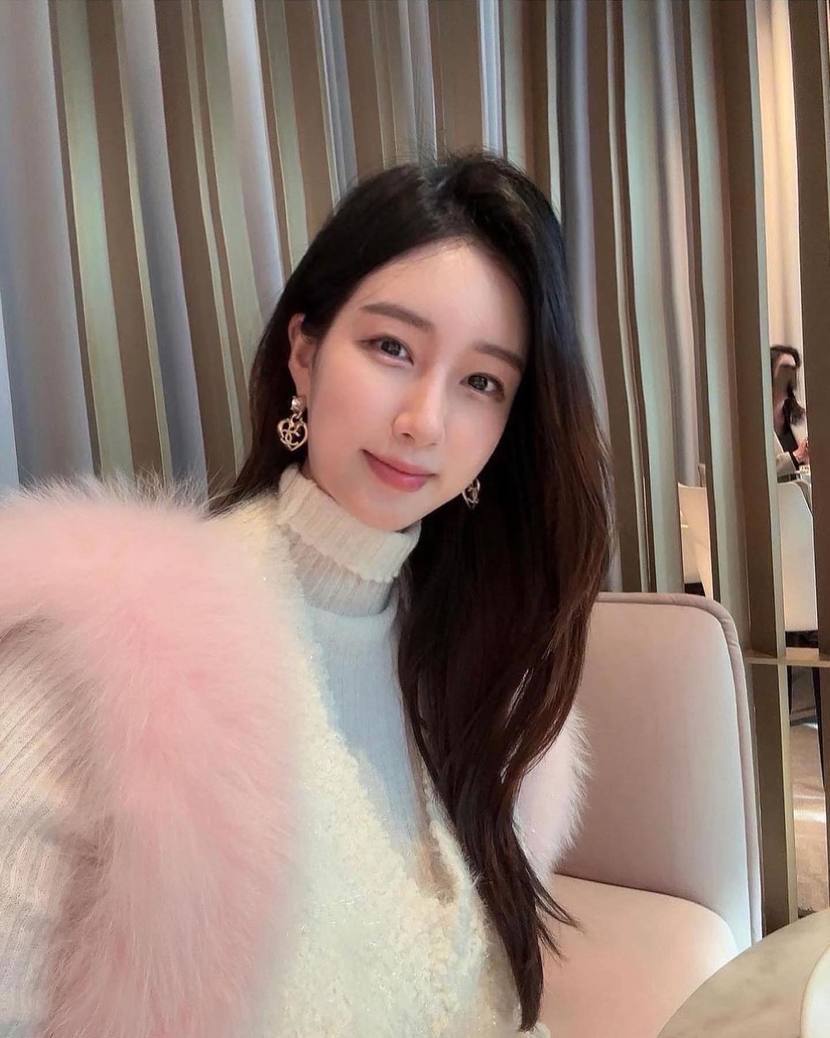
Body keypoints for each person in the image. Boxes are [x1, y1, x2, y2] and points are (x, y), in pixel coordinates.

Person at [0, 153, 612, 1036]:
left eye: (481, 382)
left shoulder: (484, 676)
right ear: (304, 352)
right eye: (391, 347)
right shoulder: (115, 643)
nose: (423, 421)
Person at [770, 344, 809, 479]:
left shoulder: (800, 417)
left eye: (794, 369)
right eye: (785, 369)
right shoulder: (754, 422)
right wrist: (796, 456)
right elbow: (759, 470)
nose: (792, 375)